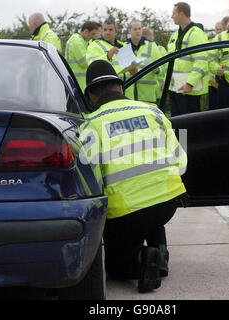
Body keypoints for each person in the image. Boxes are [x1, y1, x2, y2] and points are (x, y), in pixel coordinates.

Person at [79, 60, 188, 293]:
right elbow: (181, 161)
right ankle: (160, 253)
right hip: (168, 202)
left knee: (116, 268)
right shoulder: (153, 112)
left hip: (126, 212)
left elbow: (89, 179)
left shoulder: (91, 125)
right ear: (121, 88)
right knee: (152, 209)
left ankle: (142, 261)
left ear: (91, 95)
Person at [167, 2, 208, 116]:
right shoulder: (174, 35)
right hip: (175, 88)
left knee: (189, 126)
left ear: (181, 14)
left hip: (188, 90)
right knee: (177, 123)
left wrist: (190, 84)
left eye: (173, 13)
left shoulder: (196, 34)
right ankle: (181, 135)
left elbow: (201, 62)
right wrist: (166, 82)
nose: (172, 16)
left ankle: (187, 135)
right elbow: (170, 62)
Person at [124, 20, 164, 104]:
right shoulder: (123, 46)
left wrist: (156, 69)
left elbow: (162, 69)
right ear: (129, 30)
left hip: (147, 97)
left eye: (139, 28)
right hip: (128, 97)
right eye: (135, 29)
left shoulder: (152, 46)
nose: (138, 31)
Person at [65, 21, 99, 91]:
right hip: (79, 83)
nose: (93, 37)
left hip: (78, 82)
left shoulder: (80, 40)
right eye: (92, 34)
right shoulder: (77, 41)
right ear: (86, 31)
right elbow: (84, 62)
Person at [143, 27, 168, 111]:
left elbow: (165, 68)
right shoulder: (160, 49)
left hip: (158, 89)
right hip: (151, 91)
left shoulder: (160, 49)